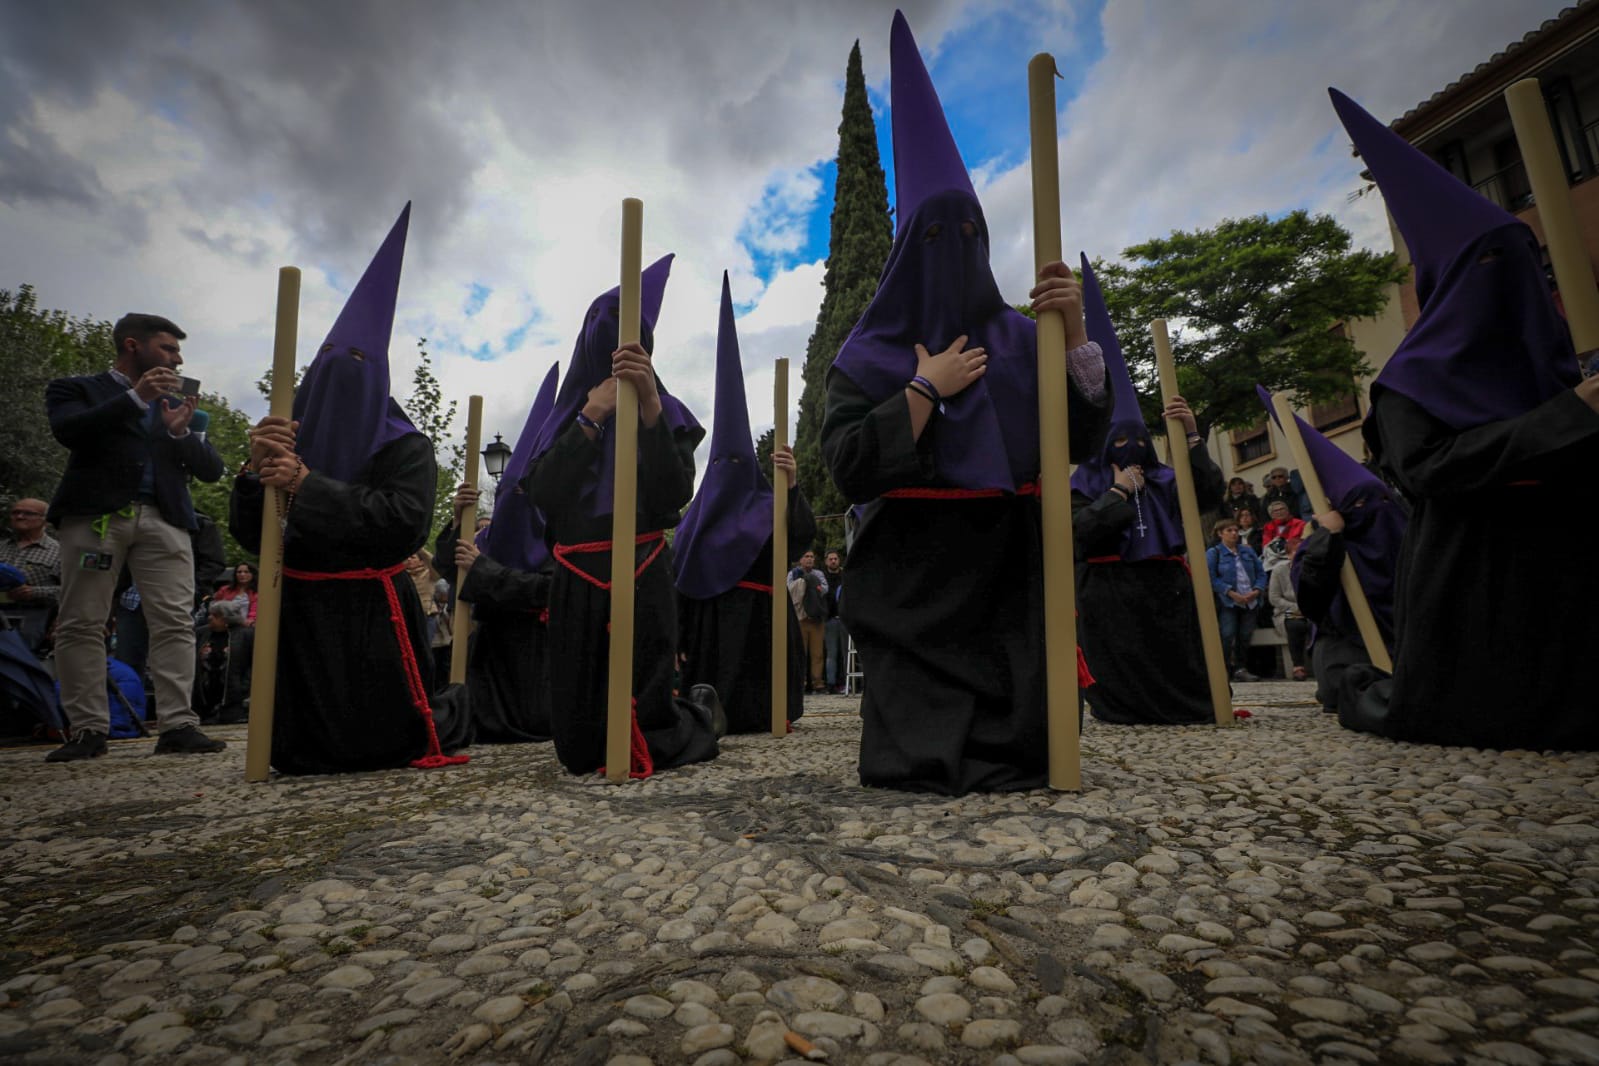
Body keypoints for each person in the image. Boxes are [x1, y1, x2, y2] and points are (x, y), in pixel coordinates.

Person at [822, 12, 1108, 795]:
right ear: (906, 252)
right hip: (911, 578)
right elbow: (847, 467)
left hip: (1008, 576)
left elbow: (1078, 438)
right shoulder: (864, 356)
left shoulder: (1023, 338)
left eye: (967, 233)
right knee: (914, 762)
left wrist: (1075, 335)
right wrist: (922, 390)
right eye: (932, 235)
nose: (953, 250)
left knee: (1032, 746)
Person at [1327, 90, 1599, 750]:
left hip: (1569, 561)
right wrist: (1568, 419)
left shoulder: (1556, 364)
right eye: (1487, 266)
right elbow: (1426, 471)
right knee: (1472, 715)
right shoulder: (1406, 382)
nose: (1510, 281)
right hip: (1473, 572)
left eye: (1521, 262)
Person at [231, 203, 469, 775]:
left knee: (383, 743)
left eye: (359, 360)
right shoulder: (287, 436)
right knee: (297, 752)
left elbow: (403, 523)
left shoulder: (405, 445)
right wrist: (251, 473)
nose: (343, 370)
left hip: (374, 614)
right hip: (301, 611)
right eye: (332, 358)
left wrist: (308, 487)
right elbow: (250, 536)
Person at [525, 253, 722, 777]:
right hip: (577, 574)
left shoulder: (670, 409)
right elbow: (544, 493)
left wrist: (652, 409)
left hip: (643, 566)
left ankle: (697, 717)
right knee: (578, 745)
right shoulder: (565, 416)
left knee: (652, 719)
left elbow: (673, 496)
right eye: (599, 322)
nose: (608, 336)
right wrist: (592, 417)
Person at [43, 311, 227, 762]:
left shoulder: (179, 404)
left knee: (174, 621)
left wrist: (183, 433)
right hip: (96, 519)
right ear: (132, 345)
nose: (177, 358)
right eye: (168, 348)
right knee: (82, 621)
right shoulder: (77, 389)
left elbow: (211, 469)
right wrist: (135, 399)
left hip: (165, 520)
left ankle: (178, 724)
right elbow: (69, 431)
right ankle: (88, 729)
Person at [1070, 254, 1224, 726]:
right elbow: (1079, 533)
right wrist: (1116, 495)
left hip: (1168, 589)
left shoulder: (1164, 478)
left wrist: (1193, 438)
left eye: (1138, 440)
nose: (1131, 449)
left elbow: (1208, 494)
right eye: (1119, 442)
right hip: (1110, 592)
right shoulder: (1086, 483)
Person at [675, 275, 813, 733]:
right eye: (725, 463)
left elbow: (800, 540)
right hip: (712, 632)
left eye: (740, 462)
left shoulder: (768, 502)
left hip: (763, 625)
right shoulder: (696, 518)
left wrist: (791, 487)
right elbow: (678, 580)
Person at [442, 361, 560, 744]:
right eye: (507, 493)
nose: (513, 503)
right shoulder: (490, 538)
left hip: (539, 660)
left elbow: (549, 590)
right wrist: (458, 521)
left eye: (521, 495)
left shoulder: (559, 540)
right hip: (489, 663)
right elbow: (451, 569)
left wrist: (485, 572)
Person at [1207, 519, 1266, 682]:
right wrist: (1230, 592)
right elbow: (1211, 578)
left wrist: (1257, 590)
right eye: (1229, 530)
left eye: (1236, 530)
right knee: (1227, 634)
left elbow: (1261, 573)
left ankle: (1241, 667)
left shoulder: (1247, 551)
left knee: (1245, 635)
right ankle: (1224, 668)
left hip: (1250, 599)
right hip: (1229, 601)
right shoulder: (1214, 553)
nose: (1234, 533)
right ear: (1220, 534)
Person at [0, 498, 61, 654]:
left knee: (21, 662)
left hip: (33, 617)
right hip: (1, 612)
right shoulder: (2, 546)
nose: (20, 516)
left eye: (28, 513)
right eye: (15, 512)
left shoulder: (59, 551)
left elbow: (71, 591)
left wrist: (34, 592)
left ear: (44, 520)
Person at [192, 596, 251, 724]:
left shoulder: (246, 635)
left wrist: (244, 686)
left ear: (227, 619)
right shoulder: (201, 633)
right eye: (211, 614)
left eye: (216, 616)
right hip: (205, 693)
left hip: (234, 695)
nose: (210, 618)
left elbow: (251, 664)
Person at [787, 550, 829, 694]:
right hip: (800, 619)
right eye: (806, 556)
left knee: (818, 654)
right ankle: (801, 683)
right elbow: (789, 590)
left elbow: (824, 590)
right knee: (800, 653)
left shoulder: (819, 574)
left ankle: (818, 683)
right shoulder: (793, 574)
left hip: (816, 619)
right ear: (800, 559)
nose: (810, 559)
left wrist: (811, 583)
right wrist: (802, 583)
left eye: (812, 557)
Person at [1267, 554, 1309, 682]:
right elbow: (1274, 598)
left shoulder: (1313, 568)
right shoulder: (1279, 570)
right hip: (1286, 611)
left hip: (1311, 610)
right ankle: (1298, 666)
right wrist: (1296, 608)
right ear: (1289, 555)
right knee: (1295, 625)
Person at [822, 550, 847, 694]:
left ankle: (845, 682)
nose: (833, 561)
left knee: (845, 653)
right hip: (829, 619)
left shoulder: (845, 576)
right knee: (831, 654)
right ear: (826, 561)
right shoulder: (822, 577)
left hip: (843, 619)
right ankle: (831, 684)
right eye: (830, 559)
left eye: (835, 559)